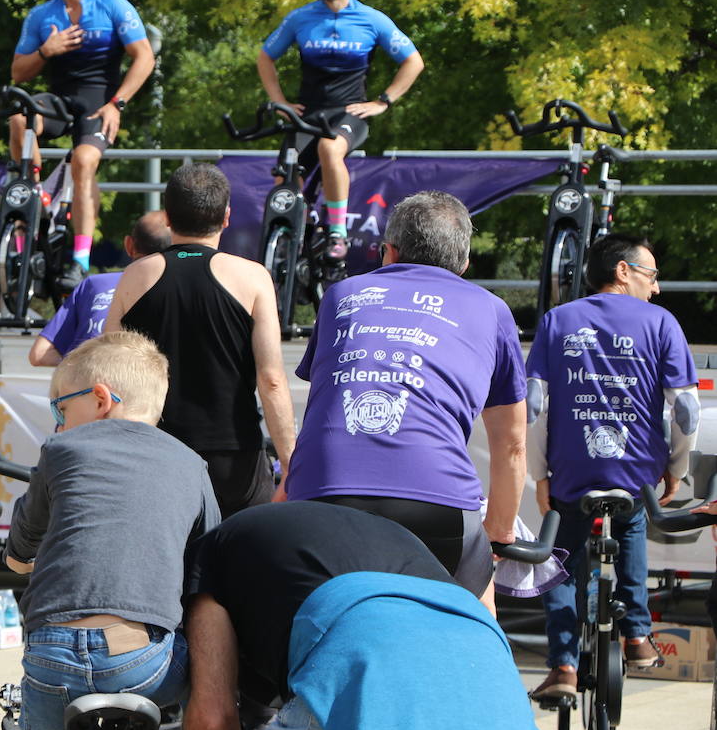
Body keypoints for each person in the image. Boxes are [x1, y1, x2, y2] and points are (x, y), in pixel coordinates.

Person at [183, 501, 582, 730]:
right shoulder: (372, 539)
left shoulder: (209, 557)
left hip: (370, 666)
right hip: (493, 687)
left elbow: (214, 720)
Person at [5, 330, 220, 730]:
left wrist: (20, 559)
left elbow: (23, 542)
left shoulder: (60, 452)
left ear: (100, 399)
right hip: (140, 663)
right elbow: (209, 561)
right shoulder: (191, 464)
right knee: (201, 657)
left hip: (52, 657)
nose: (59, 424)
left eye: (62, 408)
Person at [283, 190, 526, 606]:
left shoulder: (342, 296)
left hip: (323, 494)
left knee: (304, 619)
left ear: (387, 252)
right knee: (474, 612)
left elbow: (323, 413)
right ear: (464, 264)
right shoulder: (491, 309)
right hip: (437, 498)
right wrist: (499, 533)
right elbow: (512, 443)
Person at [526, 234, 698, 699]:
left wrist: (540, 474)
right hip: (636, 468)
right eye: (652, 275)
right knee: (632, 526)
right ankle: (638, 636)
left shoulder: (557, 321)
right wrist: (676, 468)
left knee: (560, 560)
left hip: (572, 471)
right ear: (623, 271)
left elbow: (535, 407)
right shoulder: (661, 323)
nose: (656, 288)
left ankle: (562, 665)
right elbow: (685, 410)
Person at [106, 163, 294, 516]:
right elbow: (271, 379)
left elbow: (112, 371)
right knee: (241, 561)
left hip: (159, 449)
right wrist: (290, 463)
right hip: (235, 454)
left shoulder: (136, 276)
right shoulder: (252, 278)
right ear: (226, 217)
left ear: (166, 217)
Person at [257, 0, 424, 261]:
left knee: (330, 148)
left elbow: (413, 62)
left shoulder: (372, 19)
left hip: (349, 113)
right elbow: (266, 57)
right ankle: (296, 237)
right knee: (285, 178)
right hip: (307, 112)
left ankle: (337, 234)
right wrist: (279, 102)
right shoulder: (300, 17)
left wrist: (383, 101)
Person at [12, 0, 156, 291]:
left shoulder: (111, 5)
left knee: (83, 160)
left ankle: (80, 259)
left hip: (99, 105)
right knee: (19, 118)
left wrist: (117, 104)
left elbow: (145, 58)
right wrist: (47, 51)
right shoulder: (42, 15)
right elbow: (18, 72)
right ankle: (33, 194)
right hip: (60, 100)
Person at [28, 210, 170, 367]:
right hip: (136, 384)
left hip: (80, 385)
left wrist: (84, 366)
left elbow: (39, 354)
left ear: (128, 245)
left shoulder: (94, 285)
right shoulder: (175, 290)